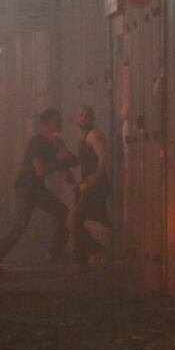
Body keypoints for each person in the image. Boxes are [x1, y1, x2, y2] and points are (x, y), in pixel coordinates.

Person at [0, 108, 78, 273]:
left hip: (37, 188)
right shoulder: (37, 142)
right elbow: (40, 171)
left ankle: (54, 254)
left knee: (63, 213)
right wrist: (62, 165)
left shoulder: (51, 143)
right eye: (57, 122)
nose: (60, 125)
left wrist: (62, 151)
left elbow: (67, 161)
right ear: (46, 125)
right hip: (26, 188)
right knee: (21, 225)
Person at [67, 105, 111, 273]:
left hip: (96, 185)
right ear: (77, 119)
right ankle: (100, 252)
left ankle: (82, 261)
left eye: (87, 115)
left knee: (75, 219)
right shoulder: (84, 137)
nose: (83, 118)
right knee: (99, 219)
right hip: (87, 184)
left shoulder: (94, 134)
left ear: (92, 118)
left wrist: (95, 177)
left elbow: (104, 157)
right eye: (81, 115)